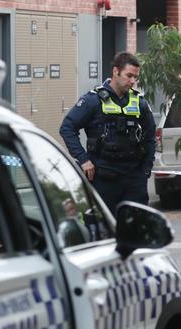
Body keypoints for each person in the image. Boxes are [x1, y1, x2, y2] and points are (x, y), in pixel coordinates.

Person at [59, 52, 155, 214]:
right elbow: (67, 127)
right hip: (103, 178)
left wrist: (145, 170)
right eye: (129, 76)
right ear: (116, 72)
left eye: (136, 78)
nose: (132, 81)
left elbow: (151, 137)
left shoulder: (139, 103)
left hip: (133, 179)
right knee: (103, 228)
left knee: (136, 230)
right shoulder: (93, 100)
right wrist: (83, 159)